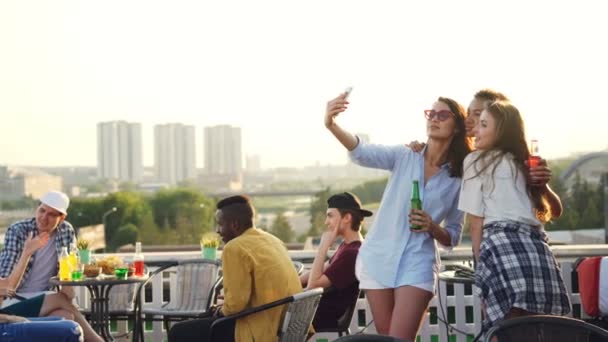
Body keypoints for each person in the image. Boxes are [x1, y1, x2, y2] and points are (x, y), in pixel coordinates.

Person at [324, 92, 471, 340]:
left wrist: (432, 226)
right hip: (378, 258)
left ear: (457, 126)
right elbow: (362, 152)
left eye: (443, 115)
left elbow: (453, 236)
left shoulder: (459, 177)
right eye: (431, 113)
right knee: (387, 339)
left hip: (417, 261)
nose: (434, 118)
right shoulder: (405, 155)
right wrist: (331, 124)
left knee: (400, 339)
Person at [458, 100, 571, 335]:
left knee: (505, 323)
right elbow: (556, 212)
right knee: (540, 324)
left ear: (501, 130)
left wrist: (543, 186)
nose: (476, 130)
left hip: (509, 242)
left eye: (483, 124)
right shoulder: (480, 160)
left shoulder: (520, 163)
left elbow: (476, 222)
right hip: (535, 248)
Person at [168, 195, 304, 342]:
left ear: (234, 225)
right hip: (282, 324)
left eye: (220, 225)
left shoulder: (234, 247)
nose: (218, 231)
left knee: (178, 331)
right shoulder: (272, 240)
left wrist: (220, 308)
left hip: (256, 331)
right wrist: (227, 304)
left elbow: (235, 306)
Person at [0, 191, 103, 342]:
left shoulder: (66, 230)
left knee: (66, 317)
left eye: (52, 214)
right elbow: (7, 287)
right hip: (10, 301)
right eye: (42, 210)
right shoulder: (19, 231)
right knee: (60, 299)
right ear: (37, 208)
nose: (44, 217)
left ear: (62, 218)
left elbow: (69, 266)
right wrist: (27, 252)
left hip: (44, 298)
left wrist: (68, 286)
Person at [300, 192, 372, 330]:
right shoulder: (346, 247)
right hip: (311, 310)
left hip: (318, 314)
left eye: (330, 216)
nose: (326, 222)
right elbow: (322, 269)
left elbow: (313, 285)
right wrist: (291, 281)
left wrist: (323, 247)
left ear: (347, 218)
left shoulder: (352, 253)